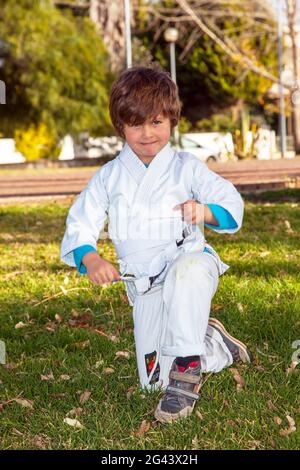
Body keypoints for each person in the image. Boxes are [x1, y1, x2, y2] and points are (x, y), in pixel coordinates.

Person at [60, 64, 251, 424]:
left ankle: (187, 370)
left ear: (172, 121)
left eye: (157, 122)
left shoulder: (187, 167)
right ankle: (211, 343)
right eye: (136, 124)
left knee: (188, 271)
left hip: (191, 265)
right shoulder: (109, 177)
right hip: (144, 287)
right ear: (121, 127)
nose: (147, 133)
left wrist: (205, 211)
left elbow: (231, 202)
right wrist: (91, 258)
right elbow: (80, 223)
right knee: (152, 383)